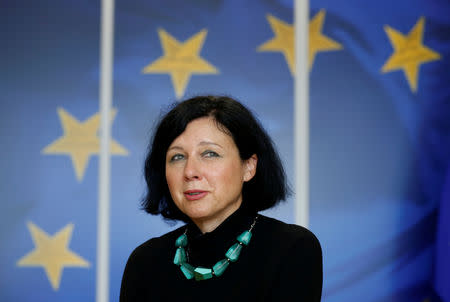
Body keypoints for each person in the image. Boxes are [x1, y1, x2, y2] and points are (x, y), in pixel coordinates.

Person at [120, 95, 323, 301]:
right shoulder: (145, 262)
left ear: (249, 166)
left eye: (210, 153)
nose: (190, 171)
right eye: (178, 157)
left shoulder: (292, 249)